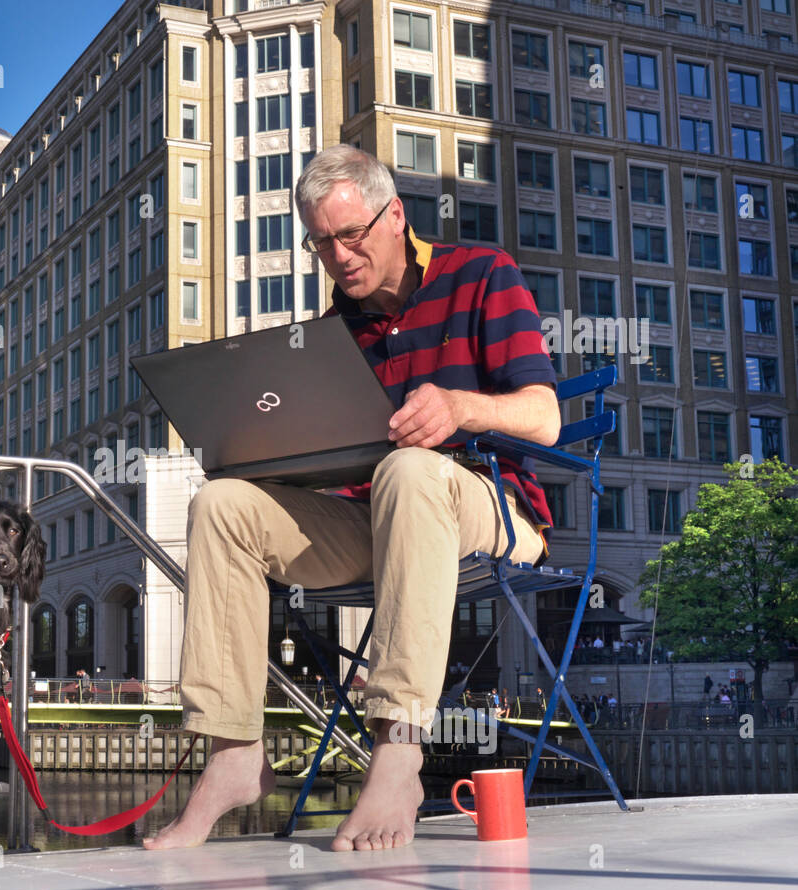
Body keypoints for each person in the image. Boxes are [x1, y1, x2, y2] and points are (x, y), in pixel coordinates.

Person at [144, 144, 559, 852]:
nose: (337, 256)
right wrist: (266, 453)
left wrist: (460, 407)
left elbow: (544, 416)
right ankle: (233, 754)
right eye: (321, 243)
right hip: (374, 520)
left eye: (351, 235)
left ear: (394, 214)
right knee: (221, 505)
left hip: (494, 510)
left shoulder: (484, 275)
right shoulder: (335, 330)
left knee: (410, 469)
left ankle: (399, 750)